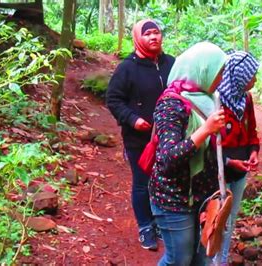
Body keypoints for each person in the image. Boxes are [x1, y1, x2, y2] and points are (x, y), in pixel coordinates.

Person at [149, 42, 227, 265]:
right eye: (218, 72)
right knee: (179, 260)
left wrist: (231, 162)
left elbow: (208, 153)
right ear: (202, 70)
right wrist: (206, 130)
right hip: (174, 197)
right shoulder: (171, 104)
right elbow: (167, 159)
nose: (220, 78)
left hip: (202, 196)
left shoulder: (209, 100)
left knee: (200, 258)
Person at [106, 19, 175, 251]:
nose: (153, 37)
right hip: (139, 138)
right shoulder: (127, 67)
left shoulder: (171, 63)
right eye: (148, 34)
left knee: (163, 180)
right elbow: (113, 99)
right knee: (142, 182)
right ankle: (145, 226)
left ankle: (158, 222)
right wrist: (133, 119)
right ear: (138, 38)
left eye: (156, 33)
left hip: (168, 136)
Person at [215, 51, 260, 265]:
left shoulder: (246, 99)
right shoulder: (215, 101)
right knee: (215, 218)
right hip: (219, 171)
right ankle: (209, 260)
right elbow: (208, 144)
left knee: (230, 219)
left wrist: (253, 152)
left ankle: (221, 261)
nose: (255, 80)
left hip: (240, 172)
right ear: (240, 76)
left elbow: (252, 130)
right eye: (252, 75)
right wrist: (227, 161)